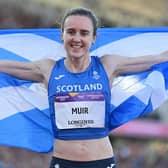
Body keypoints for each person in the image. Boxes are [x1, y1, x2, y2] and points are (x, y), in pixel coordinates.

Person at [0, 7, 168, 168]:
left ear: (94, 37)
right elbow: (6, 66)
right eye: (71, 32)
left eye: (84, 33)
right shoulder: (48, 69)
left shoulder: (108, 65)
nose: (77, 38)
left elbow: (157, 59)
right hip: (63, 162)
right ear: (62, 35)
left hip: (101, 161)